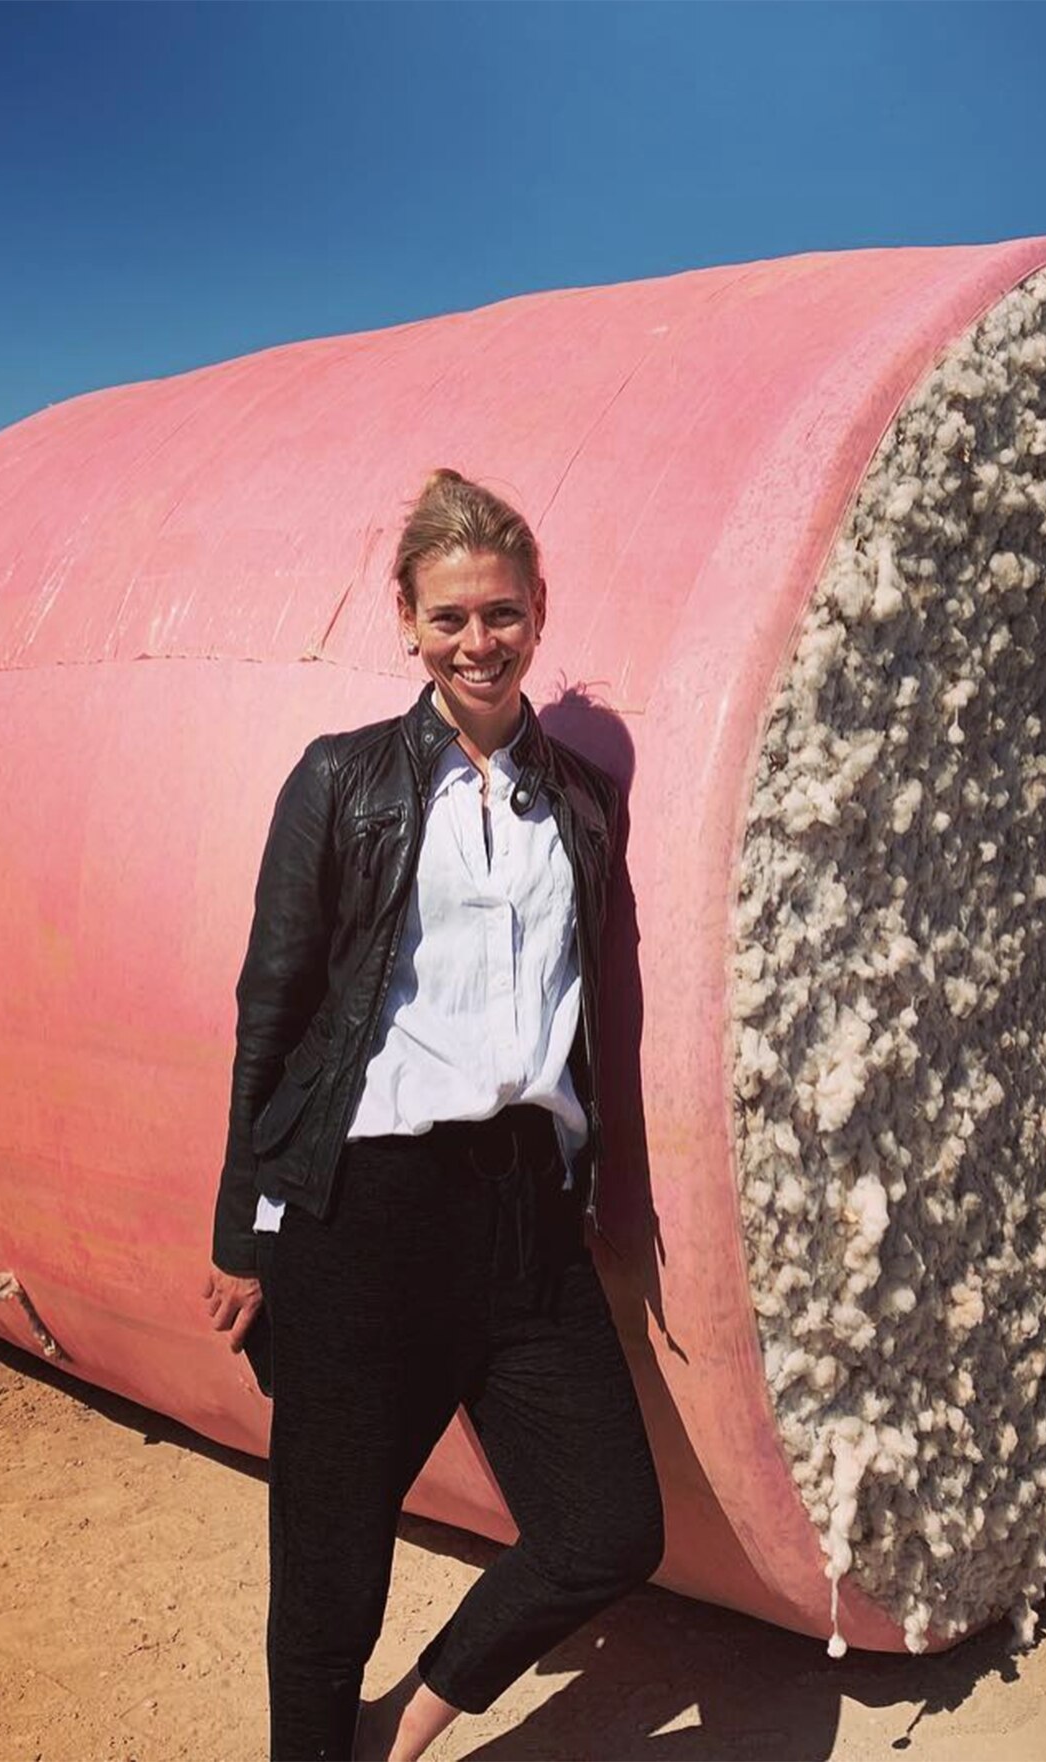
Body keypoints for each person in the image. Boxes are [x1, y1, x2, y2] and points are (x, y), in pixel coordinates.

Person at [202, 470, 664, 1761]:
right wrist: (243, 1227)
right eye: (452, 615)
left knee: (607, 1526)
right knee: (331, 1564)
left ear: (539, 617)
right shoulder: (341, 779)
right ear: (408, 620)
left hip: (525, 1213)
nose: (480, 641)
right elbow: (275, 1006)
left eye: (503, 613)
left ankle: (398, 1732)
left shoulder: (579, 799)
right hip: (366, 1213)